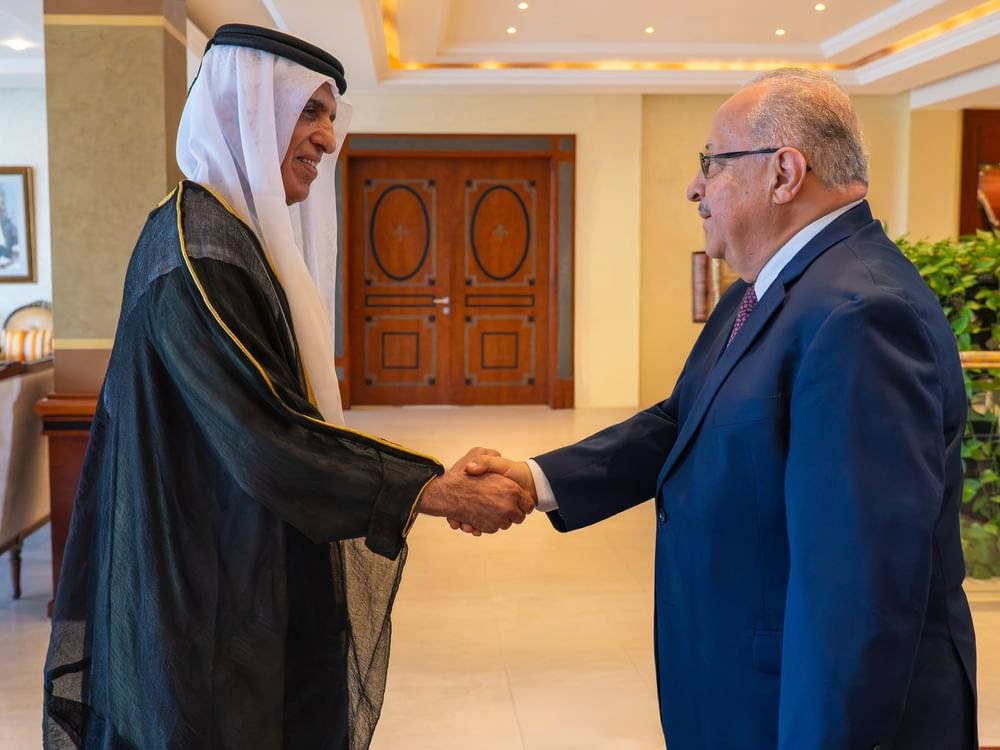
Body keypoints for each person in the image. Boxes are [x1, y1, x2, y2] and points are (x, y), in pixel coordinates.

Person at [42, 24, 531, 750]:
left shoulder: (221, 235)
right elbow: (265, 435)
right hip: (200, 591)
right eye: (309, 112)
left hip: (229, 565)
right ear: (246, 111)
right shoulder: (198, 252)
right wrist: (433, 489)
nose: (328, 138)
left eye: (330, 116)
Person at [464, 68, 978, 749]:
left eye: (712, 162)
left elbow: (855, 591)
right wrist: (537, 480)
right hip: (745, 688)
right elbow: (683, 421)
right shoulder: (761, 290)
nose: (694, 187)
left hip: (802, 709)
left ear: (784, 173)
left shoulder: (862, 312)